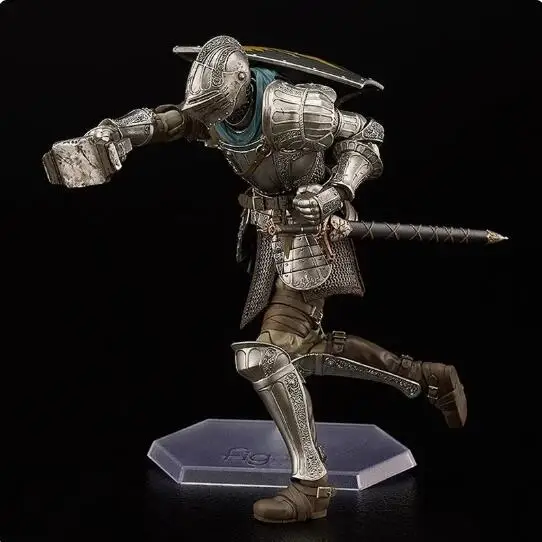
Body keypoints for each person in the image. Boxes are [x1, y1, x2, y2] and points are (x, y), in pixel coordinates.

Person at [43, 35, 466, 524]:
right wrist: (117, 133)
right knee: (300, 348)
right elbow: (176, 121)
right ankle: (425, 378)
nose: (213, 119)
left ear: (242, 86)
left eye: (218, 108)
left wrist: (333, 193)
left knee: (265, 356)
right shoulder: (219, 109)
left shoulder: (293, 108)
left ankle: (311, 484)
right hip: (270, 233)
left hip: (309, 235)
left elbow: (367, 136)